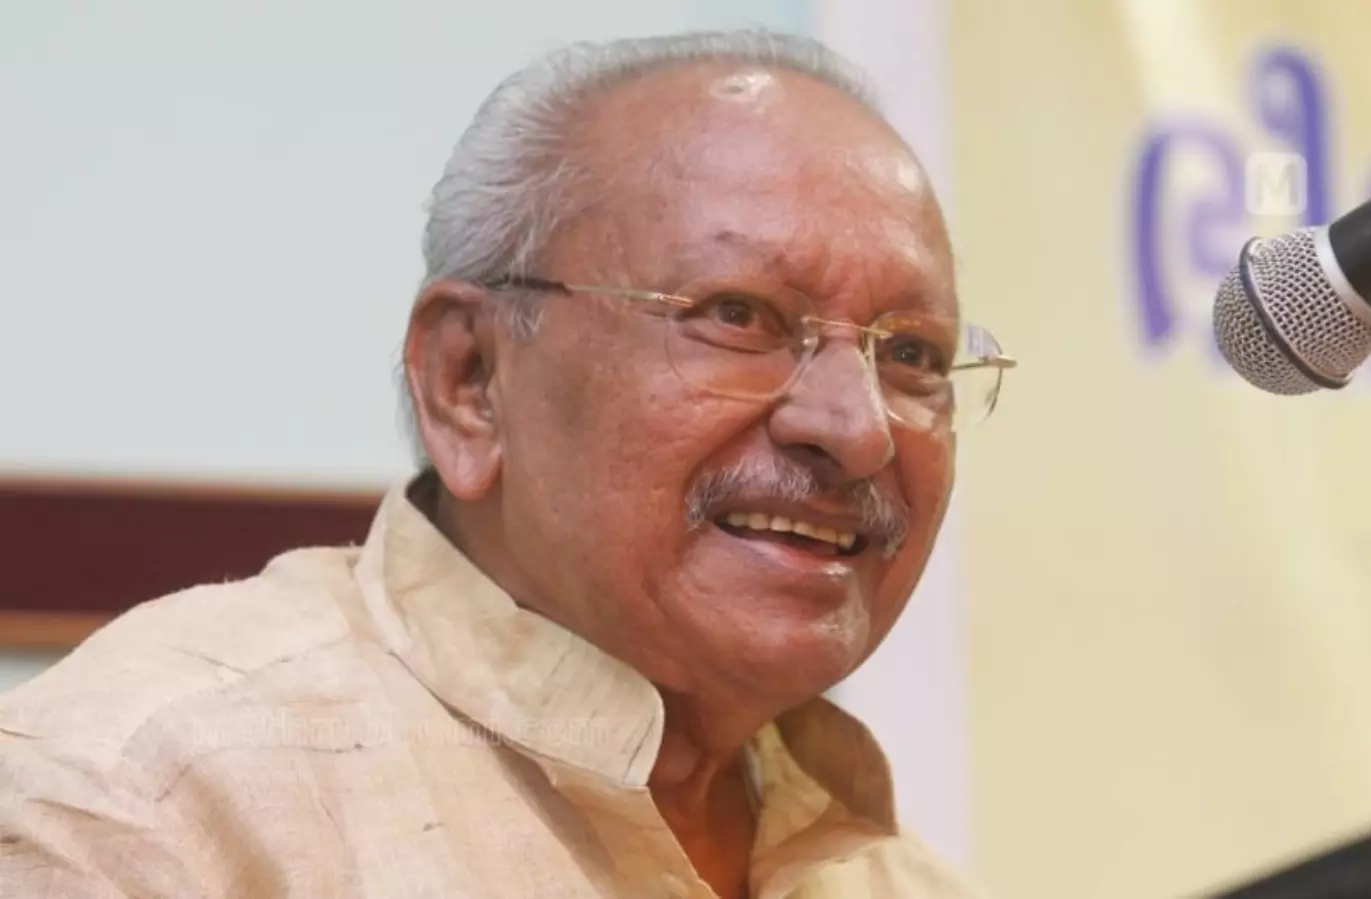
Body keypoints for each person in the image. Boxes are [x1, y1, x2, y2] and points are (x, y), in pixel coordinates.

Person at [0, 29, 1013, 899]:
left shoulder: (898, 879)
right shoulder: (135, 810)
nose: (858, 428)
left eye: (913, 353)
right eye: (738, 315)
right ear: (470, 379)